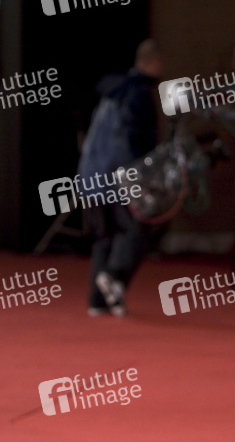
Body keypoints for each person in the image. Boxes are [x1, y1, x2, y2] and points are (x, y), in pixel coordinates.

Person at [78, 39, 163, 317]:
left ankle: (98, 300)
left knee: (104, 237)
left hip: (91, 174)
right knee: (135, 230)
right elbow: (136, 140)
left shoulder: (110, 90)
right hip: (119, 176)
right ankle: (114, 277)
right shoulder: (138, 94)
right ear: (154, 62)